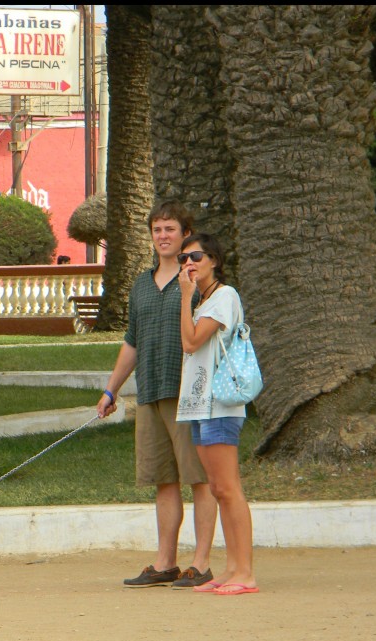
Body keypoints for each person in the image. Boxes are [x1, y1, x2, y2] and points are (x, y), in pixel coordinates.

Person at [96, 201, 217, 589]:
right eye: (157, 229)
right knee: (163, 480)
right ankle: (165, 562)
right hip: (150, 392)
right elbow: (132, 342)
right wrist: (111, 389)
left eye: (170, 229)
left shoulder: (199, 280)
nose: (162, 236)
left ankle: (200, 562)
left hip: (191, 395)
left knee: (199, 479)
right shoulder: (140, 285)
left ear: (185, 234)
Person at [175, 233, 258, 595]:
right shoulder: (205, 300)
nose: (188, 264)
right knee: (218, 489)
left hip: (220, 405)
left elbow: (191, 341)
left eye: (195, 257)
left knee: (228, 487)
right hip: (200, 405)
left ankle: (246, 573)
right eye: (184, 259)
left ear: (214, 260)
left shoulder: (224, 297)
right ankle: (232, 568)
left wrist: (183, 297)